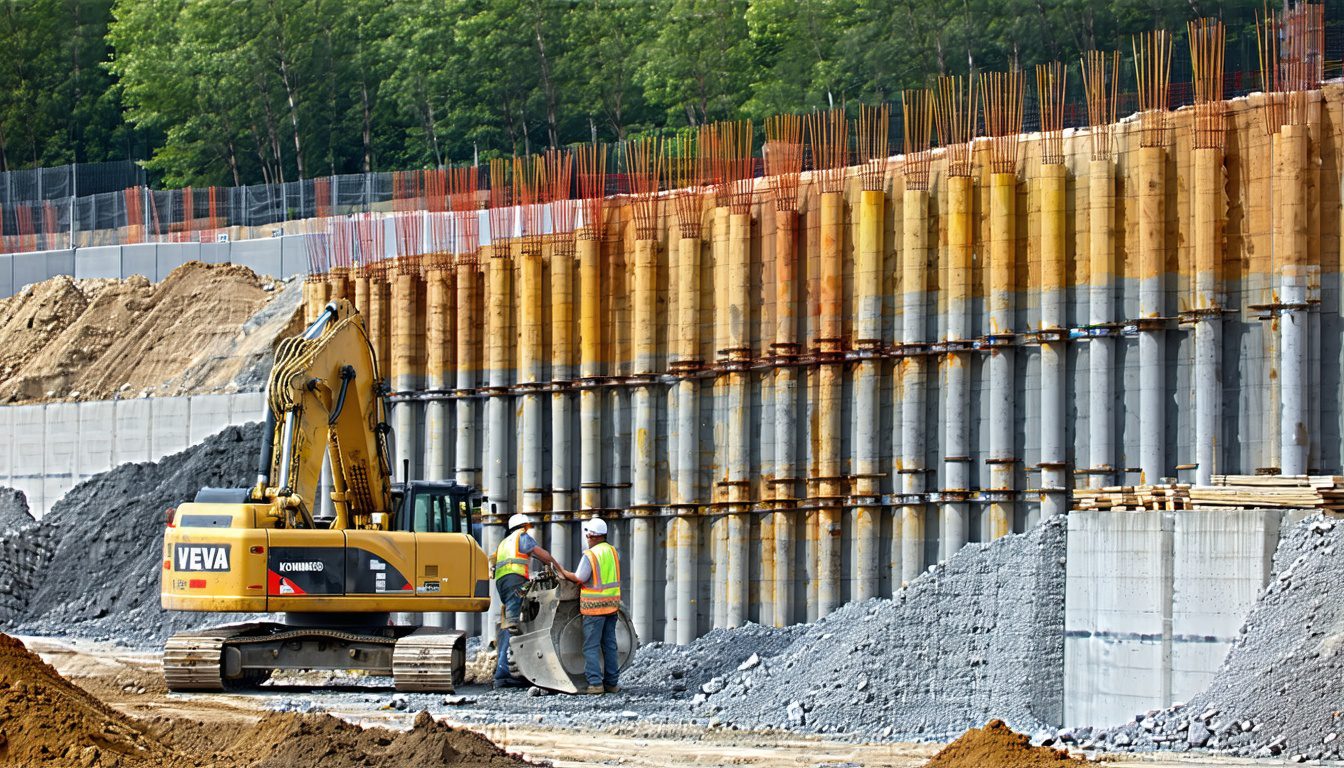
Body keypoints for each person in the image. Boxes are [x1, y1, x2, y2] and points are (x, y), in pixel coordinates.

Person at [492, 512, 562, 689]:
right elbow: (543, 556)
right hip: (515, 582)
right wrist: (559, 569)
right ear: (522, 527)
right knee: (514, 627)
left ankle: (508, 670)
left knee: (511, 624)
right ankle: (505, 672)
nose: (528, 530)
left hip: (504, 584)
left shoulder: (504, 543)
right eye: (527, 527)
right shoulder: (521, 537)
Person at [561, 517, 622, 695]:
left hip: (594, 608)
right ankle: (612, 683)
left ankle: (595, 684)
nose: (586, 537)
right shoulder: (612, 551)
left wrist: (564, 573)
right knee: (610, 645)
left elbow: (580, 577)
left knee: (591, 646)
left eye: (588, 534)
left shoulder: (591, 554)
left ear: (594, 536)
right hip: (612, 605)